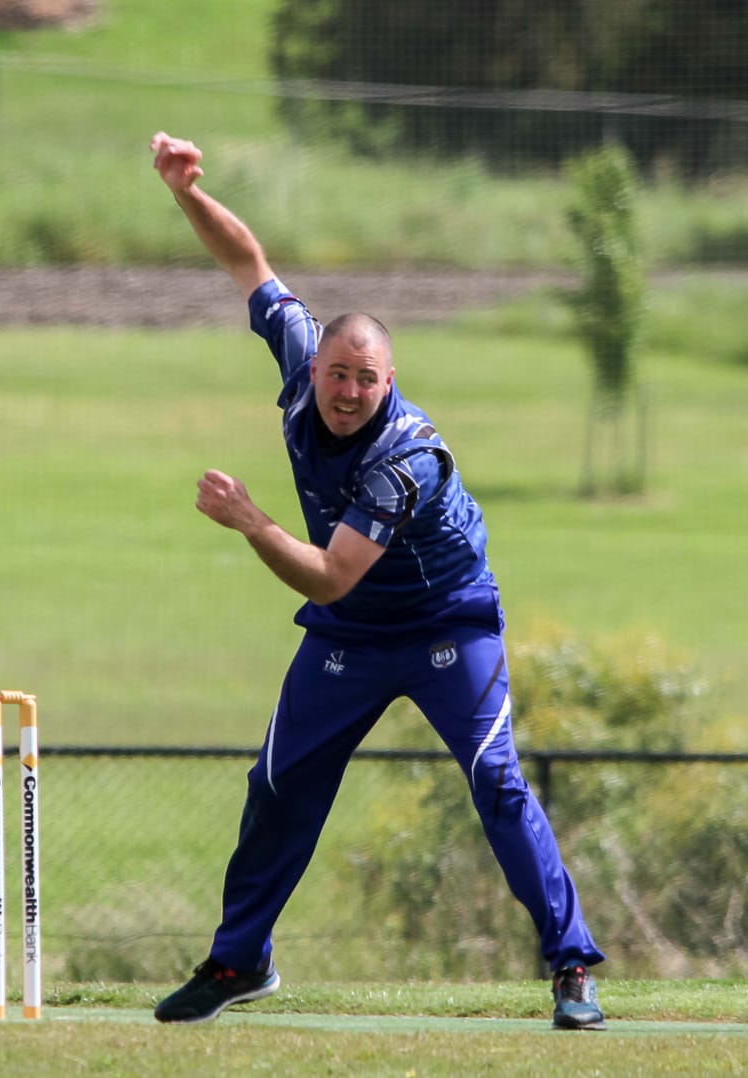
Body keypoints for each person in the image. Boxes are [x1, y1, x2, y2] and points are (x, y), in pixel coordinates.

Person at [148, 131, 607, 1031]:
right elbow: (248, 260)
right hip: (356, 635)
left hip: (446, 624)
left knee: (497, 782)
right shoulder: (301, 360)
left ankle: (574, 969)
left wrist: (251, 522)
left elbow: (328, 576)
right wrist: (183, 192)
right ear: (314, 362)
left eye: (365, 380)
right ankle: (241, 963)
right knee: (277, 784)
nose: (346, 391)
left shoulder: (406, 462)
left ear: (389, 382)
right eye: (336, 374)